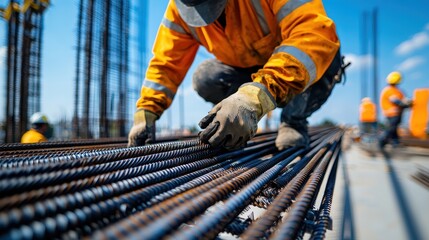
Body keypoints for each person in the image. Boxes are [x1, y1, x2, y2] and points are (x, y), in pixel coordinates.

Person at [128, 0, 345, 150]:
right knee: (206, 78)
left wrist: (255, 98)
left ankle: (293, 121)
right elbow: (166, 63)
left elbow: (312, 35)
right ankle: (238, 120)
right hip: (248, 70)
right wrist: (146, 111)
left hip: (291, 66)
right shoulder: (178, 9)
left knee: (322, 55)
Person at [379, 71, 412, 148]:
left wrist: (406, 103)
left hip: (396, 113)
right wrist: (406, 103)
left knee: (394, 129)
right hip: (392, 113)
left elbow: (402, 101)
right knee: (391, 128)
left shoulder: (396, 91)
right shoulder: (390, 90)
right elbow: (396, 101)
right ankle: (382, 141)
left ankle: (395, 142)